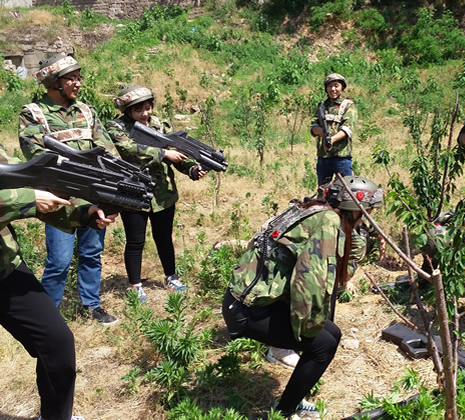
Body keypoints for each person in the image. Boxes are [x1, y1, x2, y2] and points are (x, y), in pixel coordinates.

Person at [222, 176, 383, 420]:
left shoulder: (316, 209)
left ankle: (291, 401)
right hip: (248, 310)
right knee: (323, 346)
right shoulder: (329, 222)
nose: (367, 219)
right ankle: (284, 412)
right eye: (367, 212)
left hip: (253, 300)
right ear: (354, 211)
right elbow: (310, 284)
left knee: (333, 333)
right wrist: (306, 328)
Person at [0, 145, 116, 420]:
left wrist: (86, 213)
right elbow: (27, 196)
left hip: (5, 269)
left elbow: (33, 186)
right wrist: (27, 199)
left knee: (57, 343)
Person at [18, 54, 119, 325]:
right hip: (58, 198)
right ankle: (47, 317)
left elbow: (107, 149)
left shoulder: (86, 111)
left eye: (78, 77)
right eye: (70, 78)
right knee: (59, 262)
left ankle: (91, 306)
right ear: (54, 83)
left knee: (91, 254)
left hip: (94, 194)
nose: (77, 83)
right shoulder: (33, 113)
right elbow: (38, 155)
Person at [105, 85, 206, 302]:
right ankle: (135, 285)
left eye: (148, 108)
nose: (145, 113)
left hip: (163, 193)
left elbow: (177, 153)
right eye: (139, 110)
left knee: (164, 238)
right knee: (135, 240)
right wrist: (164, 153)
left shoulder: (159, 125)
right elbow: (128, 149)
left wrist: (191, 168)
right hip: (134, 191)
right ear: (128, 110)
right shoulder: (117, 127)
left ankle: (171, 276)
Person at [310, 73, 357, 186]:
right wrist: (321, 133)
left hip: (341, 157)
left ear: (342, 87)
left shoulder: (348, 105)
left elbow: (348, 129)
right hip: (324, 157)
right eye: (330, 86)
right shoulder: (322, 106)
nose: (333, 89)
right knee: (323, 192)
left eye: (336, 86)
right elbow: (313, 126)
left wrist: (331, 140)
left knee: (345, 192)